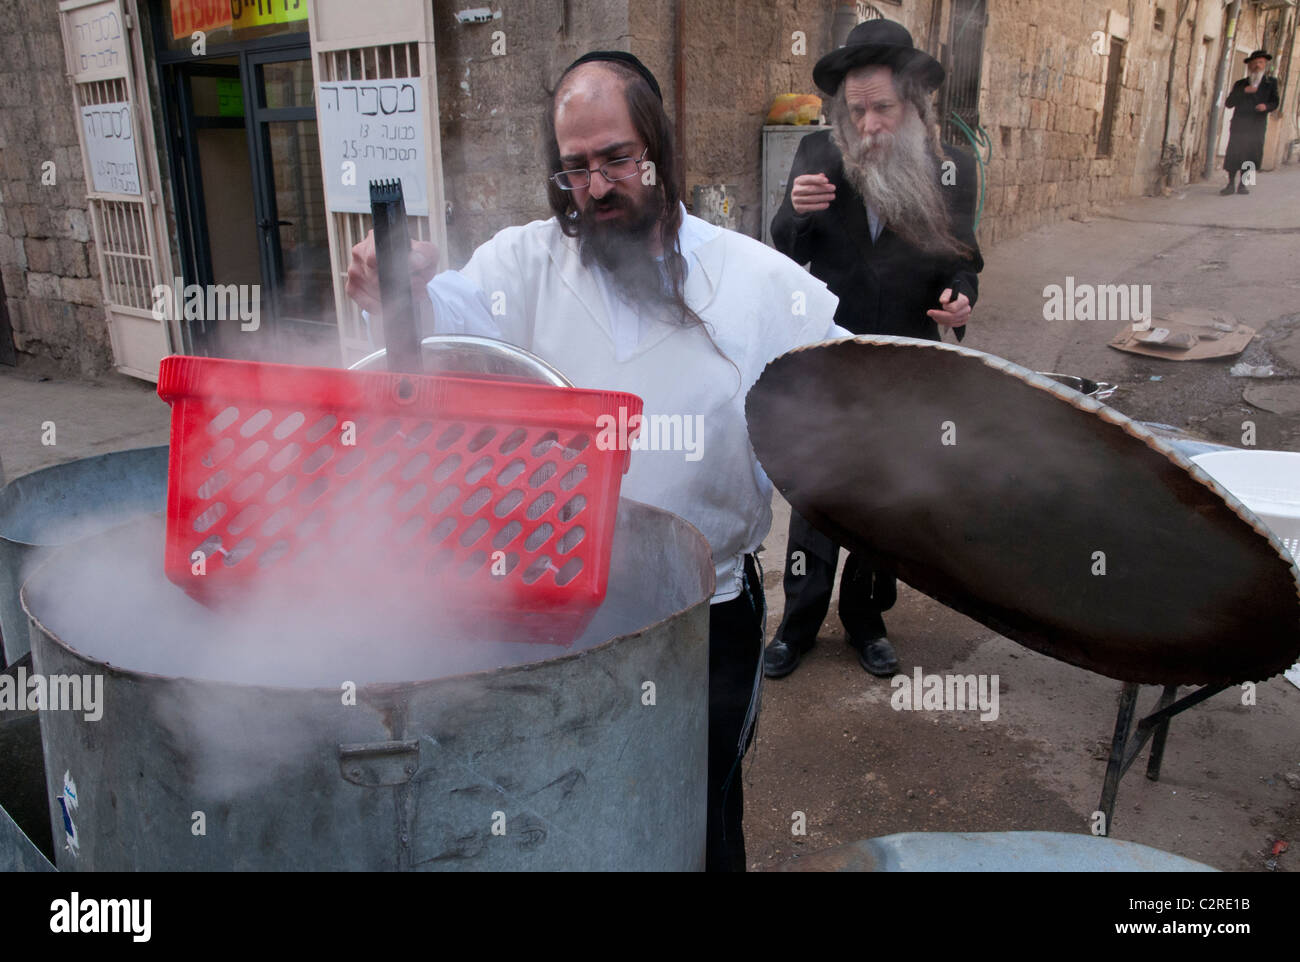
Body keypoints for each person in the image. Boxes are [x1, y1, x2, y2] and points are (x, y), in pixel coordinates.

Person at [346, 51, 848, 871]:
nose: (599, 184)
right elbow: (441, 339)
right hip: (552, 601)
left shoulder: (755, 281)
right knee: (566, 799)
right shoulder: (524, 265)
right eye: (576, 167)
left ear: (658, 149)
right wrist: (396, 287)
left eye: (617, 157)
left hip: (703, 610)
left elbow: (859, 390)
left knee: (701, 812)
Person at [763, 19, 982, 681]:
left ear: (914, 104)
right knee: (817, 496)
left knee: (886, 500)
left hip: (905, 362)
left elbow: (962, 258)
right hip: (828, 360)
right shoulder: (815, 156)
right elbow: (783, 249)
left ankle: (866, 619)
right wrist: (794, 212)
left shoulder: (953, 169)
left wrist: (960, 297)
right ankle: (797, 623)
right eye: (855, 111)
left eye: (882, 108)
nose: (869, 125)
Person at [1221, 50, 1280, 196]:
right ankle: (1230, 184)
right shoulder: (1240, 84)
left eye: (1260, 63)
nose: (1257, 66)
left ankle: (1244, 185)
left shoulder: (1270, 83)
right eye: (1254, 63)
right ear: (1249, 66)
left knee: (1252, 154)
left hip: (1256, 126)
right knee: (1235, 153)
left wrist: (1266, 107)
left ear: (1265, 65)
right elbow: (1229, 103)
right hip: (1240, 125)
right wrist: (1244, 91)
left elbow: (1275, 102)